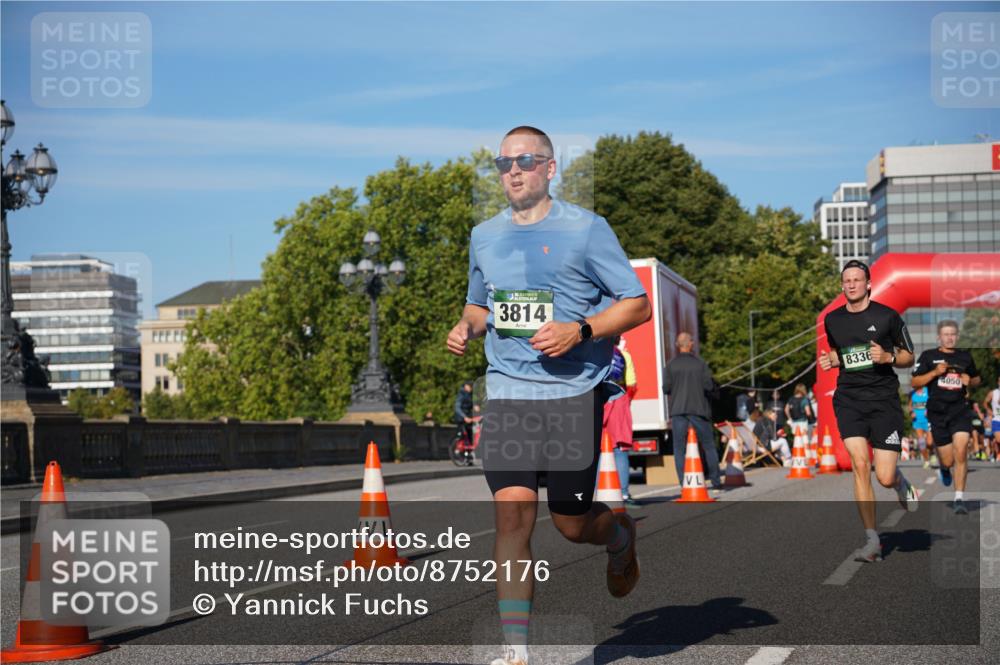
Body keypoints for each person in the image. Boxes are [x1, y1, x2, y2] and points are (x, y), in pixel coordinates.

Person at [446, 126, 651, 665]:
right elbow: (477, 305)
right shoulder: (484, 235)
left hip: (570, 393)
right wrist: (466, 327)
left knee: (569, 522)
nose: (513, 171)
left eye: (526, 161)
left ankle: (618, 533)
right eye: (504, 163)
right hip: (509, 394)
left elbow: (637, 305)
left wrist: (579, 330)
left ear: (550, 169)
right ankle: (516, 652)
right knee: (512, 517)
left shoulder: (586, 230)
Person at [819, 259, 919, 563]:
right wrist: (833, 360)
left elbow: (909, 357)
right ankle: (873, 540)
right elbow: (843, 353)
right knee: (860, 465)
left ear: (869, 284)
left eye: (856, 280)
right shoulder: (832, 320)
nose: (851, 285)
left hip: (884, 401)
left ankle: (899, 483)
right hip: (849, 399)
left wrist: (888, 356)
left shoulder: (888, 316)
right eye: (846, 280)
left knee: (884, 476)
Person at [911, 320, 981, 514]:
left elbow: (976, 378)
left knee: (961, 450)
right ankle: (944, 467)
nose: (949, 338)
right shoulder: (929, 356)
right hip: (938, 411)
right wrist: (934, 372)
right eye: (946, 334)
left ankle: (959, 497)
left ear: (957, 337)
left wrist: (970, 380)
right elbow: (914, 381)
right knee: (949, 460)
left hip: (960, 410)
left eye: (953, 334)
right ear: (938, 337)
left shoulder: (965, 357)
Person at [663, 332, 721, 490]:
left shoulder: (670, 365)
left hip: (678, 410)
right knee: (709, 445)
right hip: (699, 409)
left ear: (678, 345)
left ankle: (684, 483)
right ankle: (716, 481)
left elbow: (666, 388)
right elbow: (709, 386)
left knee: (679, 448)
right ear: (691, 344)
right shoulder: (700, 364)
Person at [603, 337, 637, 503]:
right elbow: (632, 384)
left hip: (599, 401)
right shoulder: (624, 356)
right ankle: (623, 493)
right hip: (619, 400)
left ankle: (597, 494)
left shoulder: (594, 354)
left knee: (597, 450)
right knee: (620, 449)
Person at [909, 385, 931, 468]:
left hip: (928, 420)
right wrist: (911, 412)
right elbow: (910, 405)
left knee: (930, 442)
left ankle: (931, 452)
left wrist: (929, 409)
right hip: (917, 421)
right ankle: (926, 460)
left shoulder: (927, 390)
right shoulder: (912, 393)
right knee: (921, 442)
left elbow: (933, 401)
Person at [985, 377, 1000, 462]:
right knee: (998, 439)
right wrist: (989, 411)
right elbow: (985, 403)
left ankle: (998, 453)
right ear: (998, 382)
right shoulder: (993, 393)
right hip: (997, 419)